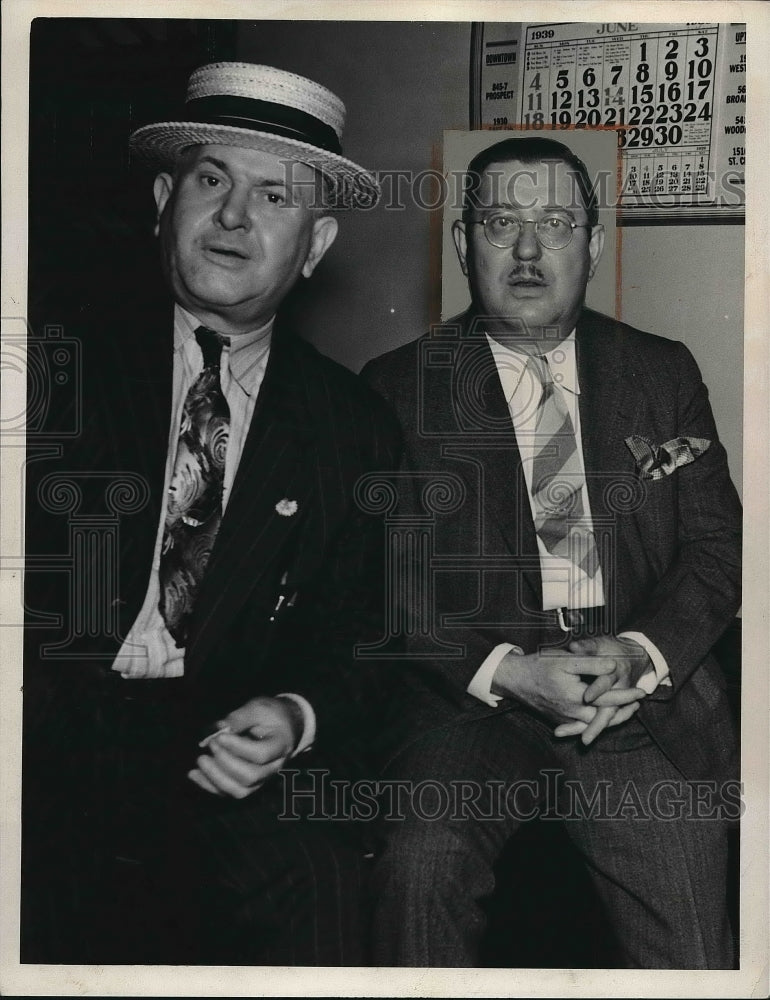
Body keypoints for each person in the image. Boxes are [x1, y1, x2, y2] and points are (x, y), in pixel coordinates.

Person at [21, 61, 399, 966]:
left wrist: (296, 711)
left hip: (219, 750)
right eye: (212, 179)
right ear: (163, 199)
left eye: (275, 195)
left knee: (324, 882)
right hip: (36, 745)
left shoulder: (352, 427)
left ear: (315, 246)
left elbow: (363, 632)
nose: (234, 216)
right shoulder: (38, 363)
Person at [362, 135, 742, 968]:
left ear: (595, 245)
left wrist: (640, 654)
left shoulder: (661, 372)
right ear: (464, 245)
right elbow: (384, 582)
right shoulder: (392, 389)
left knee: (694, 925)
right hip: (474, 703)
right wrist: (507, 669)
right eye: (501, 223)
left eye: (557, 222)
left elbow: (719, 550)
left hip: (635, 705)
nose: (529, 250)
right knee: (419, 869)